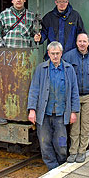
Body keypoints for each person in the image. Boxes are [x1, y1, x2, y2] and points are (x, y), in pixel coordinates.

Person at [27, 41, 80, 170]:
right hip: (44, 114)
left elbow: (74, 91)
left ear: (61, 53)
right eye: (52, 54)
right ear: (48, 54)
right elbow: (34, 89)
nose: (55, 56)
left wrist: (74, 111)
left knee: (61, 142)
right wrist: (32, 110)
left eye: (57, 53)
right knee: (45, 142)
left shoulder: (69, 69)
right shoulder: (41, 69)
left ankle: (61, 162)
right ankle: (52, 167)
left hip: (61, 115)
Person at [62, 33, 89, 163]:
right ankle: (73, 151)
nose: (82, 44)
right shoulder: (68, 56)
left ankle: (82, 151)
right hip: (74, 96)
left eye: (84, 41)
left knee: (85, 125)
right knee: (74, 125)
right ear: (76, 42)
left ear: (88, 43)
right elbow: (63, 76)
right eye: (80, 41)